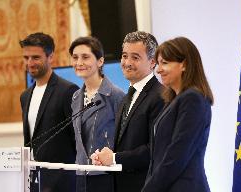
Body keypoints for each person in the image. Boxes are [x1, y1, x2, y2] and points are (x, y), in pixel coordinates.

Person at [91, 31, 165, 192]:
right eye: (124, 56)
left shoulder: (160, 96)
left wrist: (114, 158)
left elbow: (155, 149)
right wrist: (106, 156)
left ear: (152, 62)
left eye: (135, 57)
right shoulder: (127, 97)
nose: (127, 62)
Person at [141, 37, 214, 192]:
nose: (158, 69)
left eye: (165, 63)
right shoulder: (174, 100)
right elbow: (158, 157)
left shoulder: (192, 99)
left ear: (184, 65)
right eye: (158, 63)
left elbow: (177, 155)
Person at [20, 32, 79, 192]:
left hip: (63, 183)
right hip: (34, 181)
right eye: (26, 58)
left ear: (50, 56)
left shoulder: (68, 91)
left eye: (35, 57)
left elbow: (78, 141)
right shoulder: (25, 96)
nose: (30, 63)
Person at [69, 36, 125, 192]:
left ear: (100, 61)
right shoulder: (75, 97)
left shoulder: (115, 95)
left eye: (85, 57)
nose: (79, 63)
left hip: (105, 174)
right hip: (81, 174)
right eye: (75, 58)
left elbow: (124, 139)